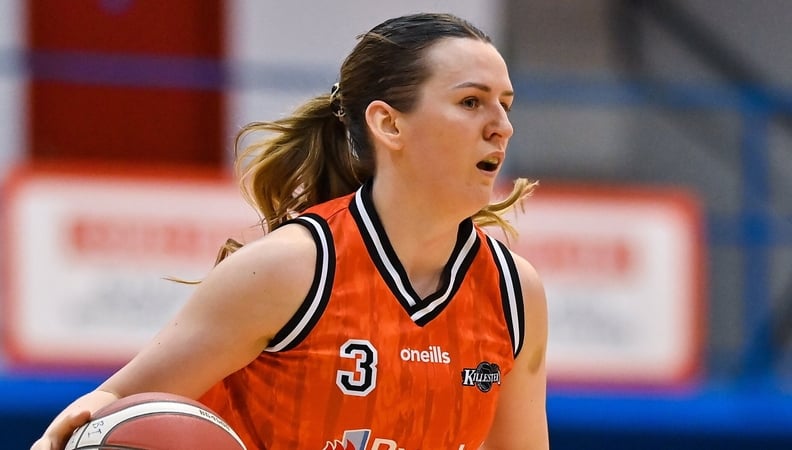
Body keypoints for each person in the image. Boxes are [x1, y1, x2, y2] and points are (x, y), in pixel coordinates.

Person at [32, 12, 549, 450]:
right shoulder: (292, 269)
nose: (501, 126)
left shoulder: (514, 293)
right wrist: (80, 425)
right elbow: (114, 411)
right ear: (389, 124)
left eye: (505, 105)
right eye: (471, 102)